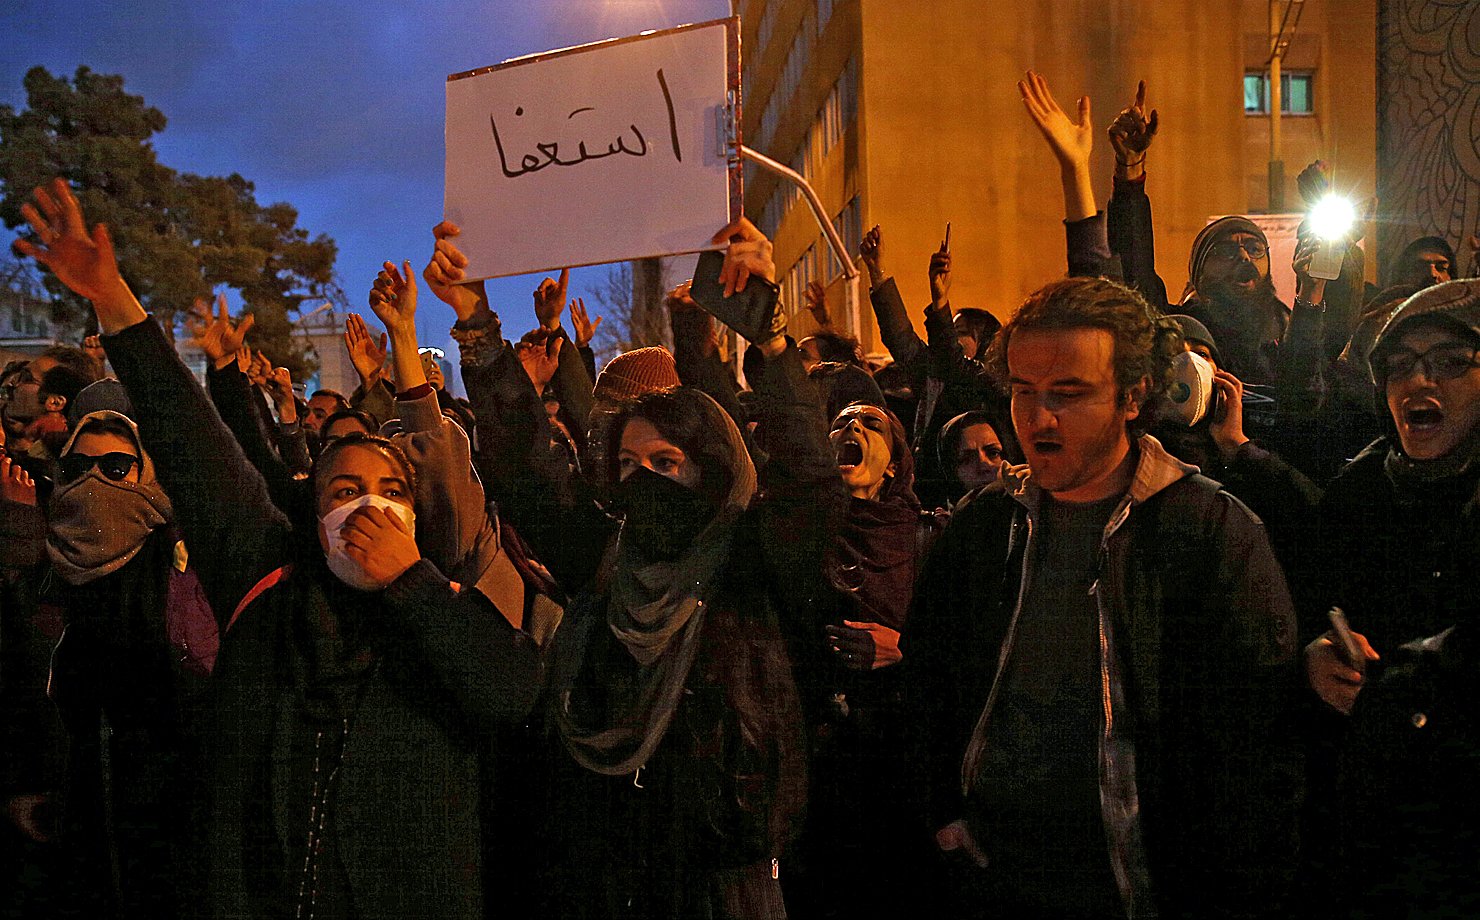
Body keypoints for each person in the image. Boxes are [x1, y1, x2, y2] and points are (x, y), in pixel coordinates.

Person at [16, 177, 543, 920]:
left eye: (390, 490)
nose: (367, 504)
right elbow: (193, 442)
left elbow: (512, 692)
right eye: (341, 489)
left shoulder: (448, 606)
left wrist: (415, 587)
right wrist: (112, 296)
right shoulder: (267, 580)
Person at [905, 275, 1302, 917]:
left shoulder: (1208, 533)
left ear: (1132, 394)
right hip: (992, 873)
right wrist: (943, 815)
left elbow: (1258, 744)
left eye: (1068, 393)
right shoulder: (984, 527)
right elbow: (927, 685)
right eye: (1023, 392)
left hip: (1142, 884)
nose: (1037, 418)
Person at [533, 217, 847, 919]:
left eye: (666, 464)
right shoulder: (607, 561)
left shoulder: (748, 559)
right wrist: (475, 330)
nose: (645, 481)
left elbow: (808, 482)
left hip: (723, 874)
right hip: (615, 865)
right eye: (627, 466)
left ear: (708, 471)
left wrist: (769, 341)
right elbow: (524, 473)